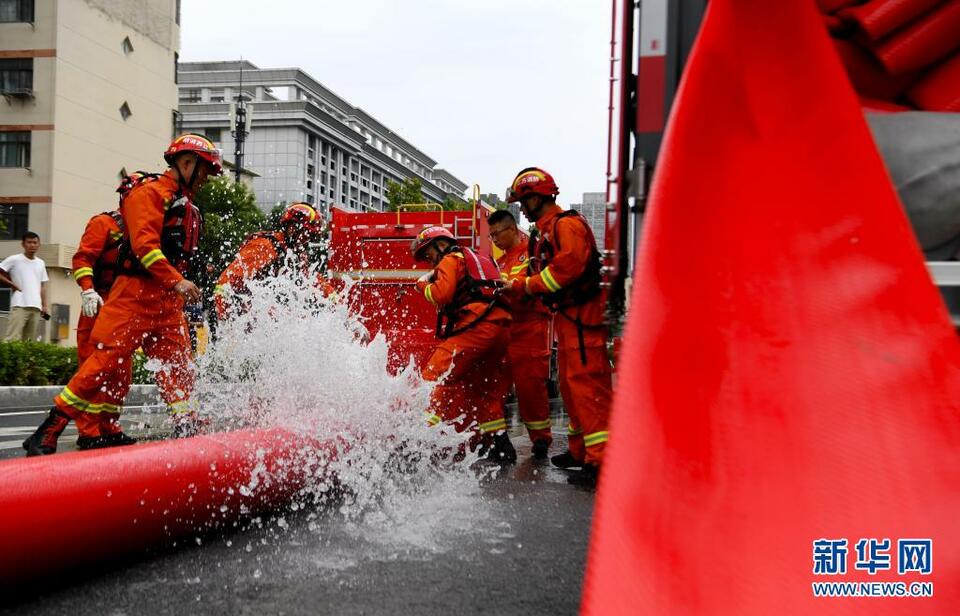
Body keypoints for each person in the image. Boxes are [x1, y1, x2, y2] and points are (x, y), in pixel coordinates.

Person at [21, 134, 221, 456]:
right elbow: (144, 248)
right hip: (134, 296)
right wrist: (177, 282)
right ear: (186, 163)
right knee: (102, 364)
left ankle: (187, 425)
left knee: (178, 366)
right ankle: (50, 430)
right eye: (204, 172)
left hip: (166, 301)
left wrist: (181, 284)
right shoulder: (150, 193)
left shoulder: (185, 205)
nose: (206, 180)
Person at [505, 167, 611, 485]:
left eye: (524, 200)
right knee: (570, 385)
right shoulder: (548, 230)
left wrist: (527, 286)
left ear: (537, 197)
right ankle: (581, 452)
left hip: (584, 320)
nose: (522, 208)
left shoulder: (567, 226)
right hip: (569, 318)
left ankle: (601, 462)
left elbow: (568, 268)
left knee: (587, 387)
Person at [412, 225, 517, 463]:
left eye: (428, 254)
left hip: (477, 327)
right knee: (484, 392)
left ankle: (417, 442)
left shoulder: (450, 260)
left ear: (440, 245)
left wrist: (421, 285)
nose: (429, 262)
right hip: (501, 330)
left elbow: (441, 295)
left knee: (434, 378)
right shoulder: (479, 259)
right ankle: (502, 448)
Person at [488, 209, 554, 459]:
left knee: (530, 389)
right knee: (493, 388)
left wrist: (512, 288)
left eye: (497, 233)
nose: (493, 239)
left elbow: (536, 284)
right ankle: (497, 442)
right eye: (491, 235)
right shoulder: (500, 262)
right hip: (504, 330)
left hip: (530, 328)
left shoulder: (532, 254)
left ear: (512, 230)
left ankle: (540, 441)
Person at [72, 173, 152, 365]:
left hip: (131, 304)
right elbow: (83, 258)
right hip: (101, 301)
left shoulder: (148, 231)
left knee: (120, 364)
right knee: (91, 359)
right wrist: (88, 290)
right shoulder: (104, 224)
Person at [213, 202, 324, 320]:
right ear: (292, 229)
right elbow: (226, 281)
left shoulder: (294, 256)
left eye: (311, 236)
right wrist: (226, 321)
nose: (306, 241)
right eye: (305, 235)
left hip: (262, 316)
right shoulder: (265, 246)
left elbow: (311, 280)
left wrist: (335, 299)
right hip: (241, 317)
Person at [1, 232, 49, 341]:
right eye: (29, 242)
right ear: (23, 244)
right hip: (19, 305)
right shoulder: (14, 259)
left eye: (35, 242)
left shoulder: (41, 263)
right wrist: (12, 284)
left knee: (29, 341)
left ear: (39, 245)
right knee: (12, 339)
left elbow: (42, 285)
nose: (32, 245)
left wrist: (44, 305)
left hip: (36, 307)